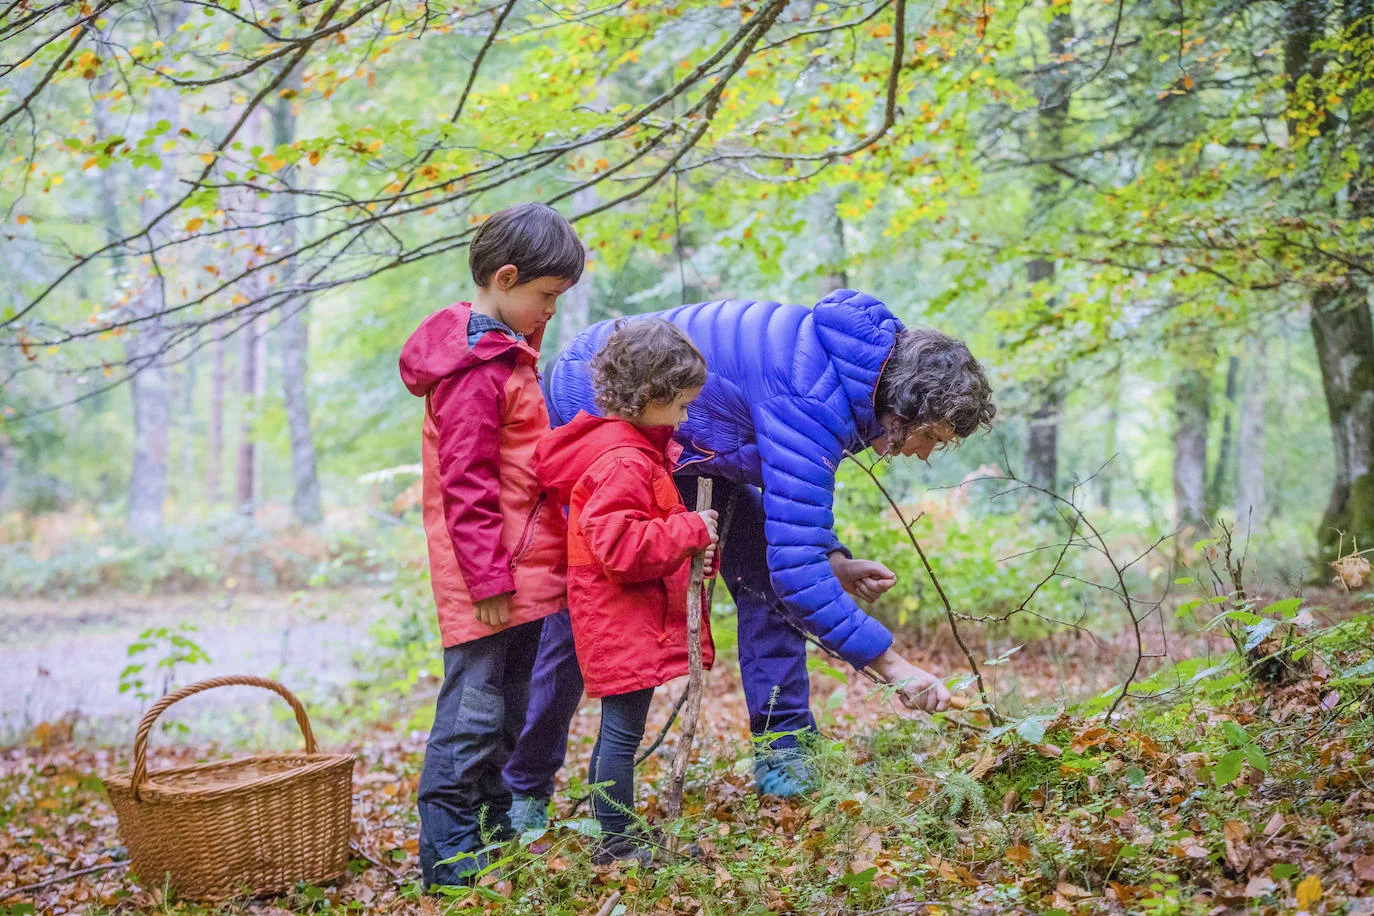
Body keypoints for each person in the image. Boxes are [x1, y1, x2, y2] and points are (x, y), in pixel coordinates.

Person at [504, 289, 996, 829]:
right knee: (586, 613)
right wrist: (892, 666)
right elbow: (796, 565)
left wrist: (831, 559)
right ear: (903, 406)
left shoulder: (848, 381)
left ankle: (784, 756)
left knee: (764, 577)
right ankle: (524, 790)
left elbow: (793, 498)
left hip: (690, 440)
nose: (922, 453)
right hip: (601, 404)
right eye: (929, 436)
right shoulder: (813, 388)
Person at [397, 202, 583, 888]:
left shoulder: (506, 355)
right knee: (472, 716)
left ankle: (494, 832)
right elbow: (465, 486)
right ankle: (448, 858)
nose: (550, 312)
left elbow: (523, 466)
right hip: (491, 580)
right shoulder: (474, 367)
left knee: (508, 709)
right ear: (505, 278)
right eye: (545, 297)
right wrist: (488, 583)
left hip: (524, 572)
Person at [533, 318, 720, 865]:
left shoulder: (638, 453)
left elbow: (652, 537)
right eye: (682, 405)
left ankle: (615, 834)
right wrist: (690, 530)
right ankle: (615, 843)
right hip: (620, 622)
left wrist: (697, 549)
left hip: (630, 618)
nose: (686, 417)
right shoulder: (622, 462)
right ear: (649, 396)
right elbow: (621, 549)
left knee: (621, 731)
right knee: (620, 734)